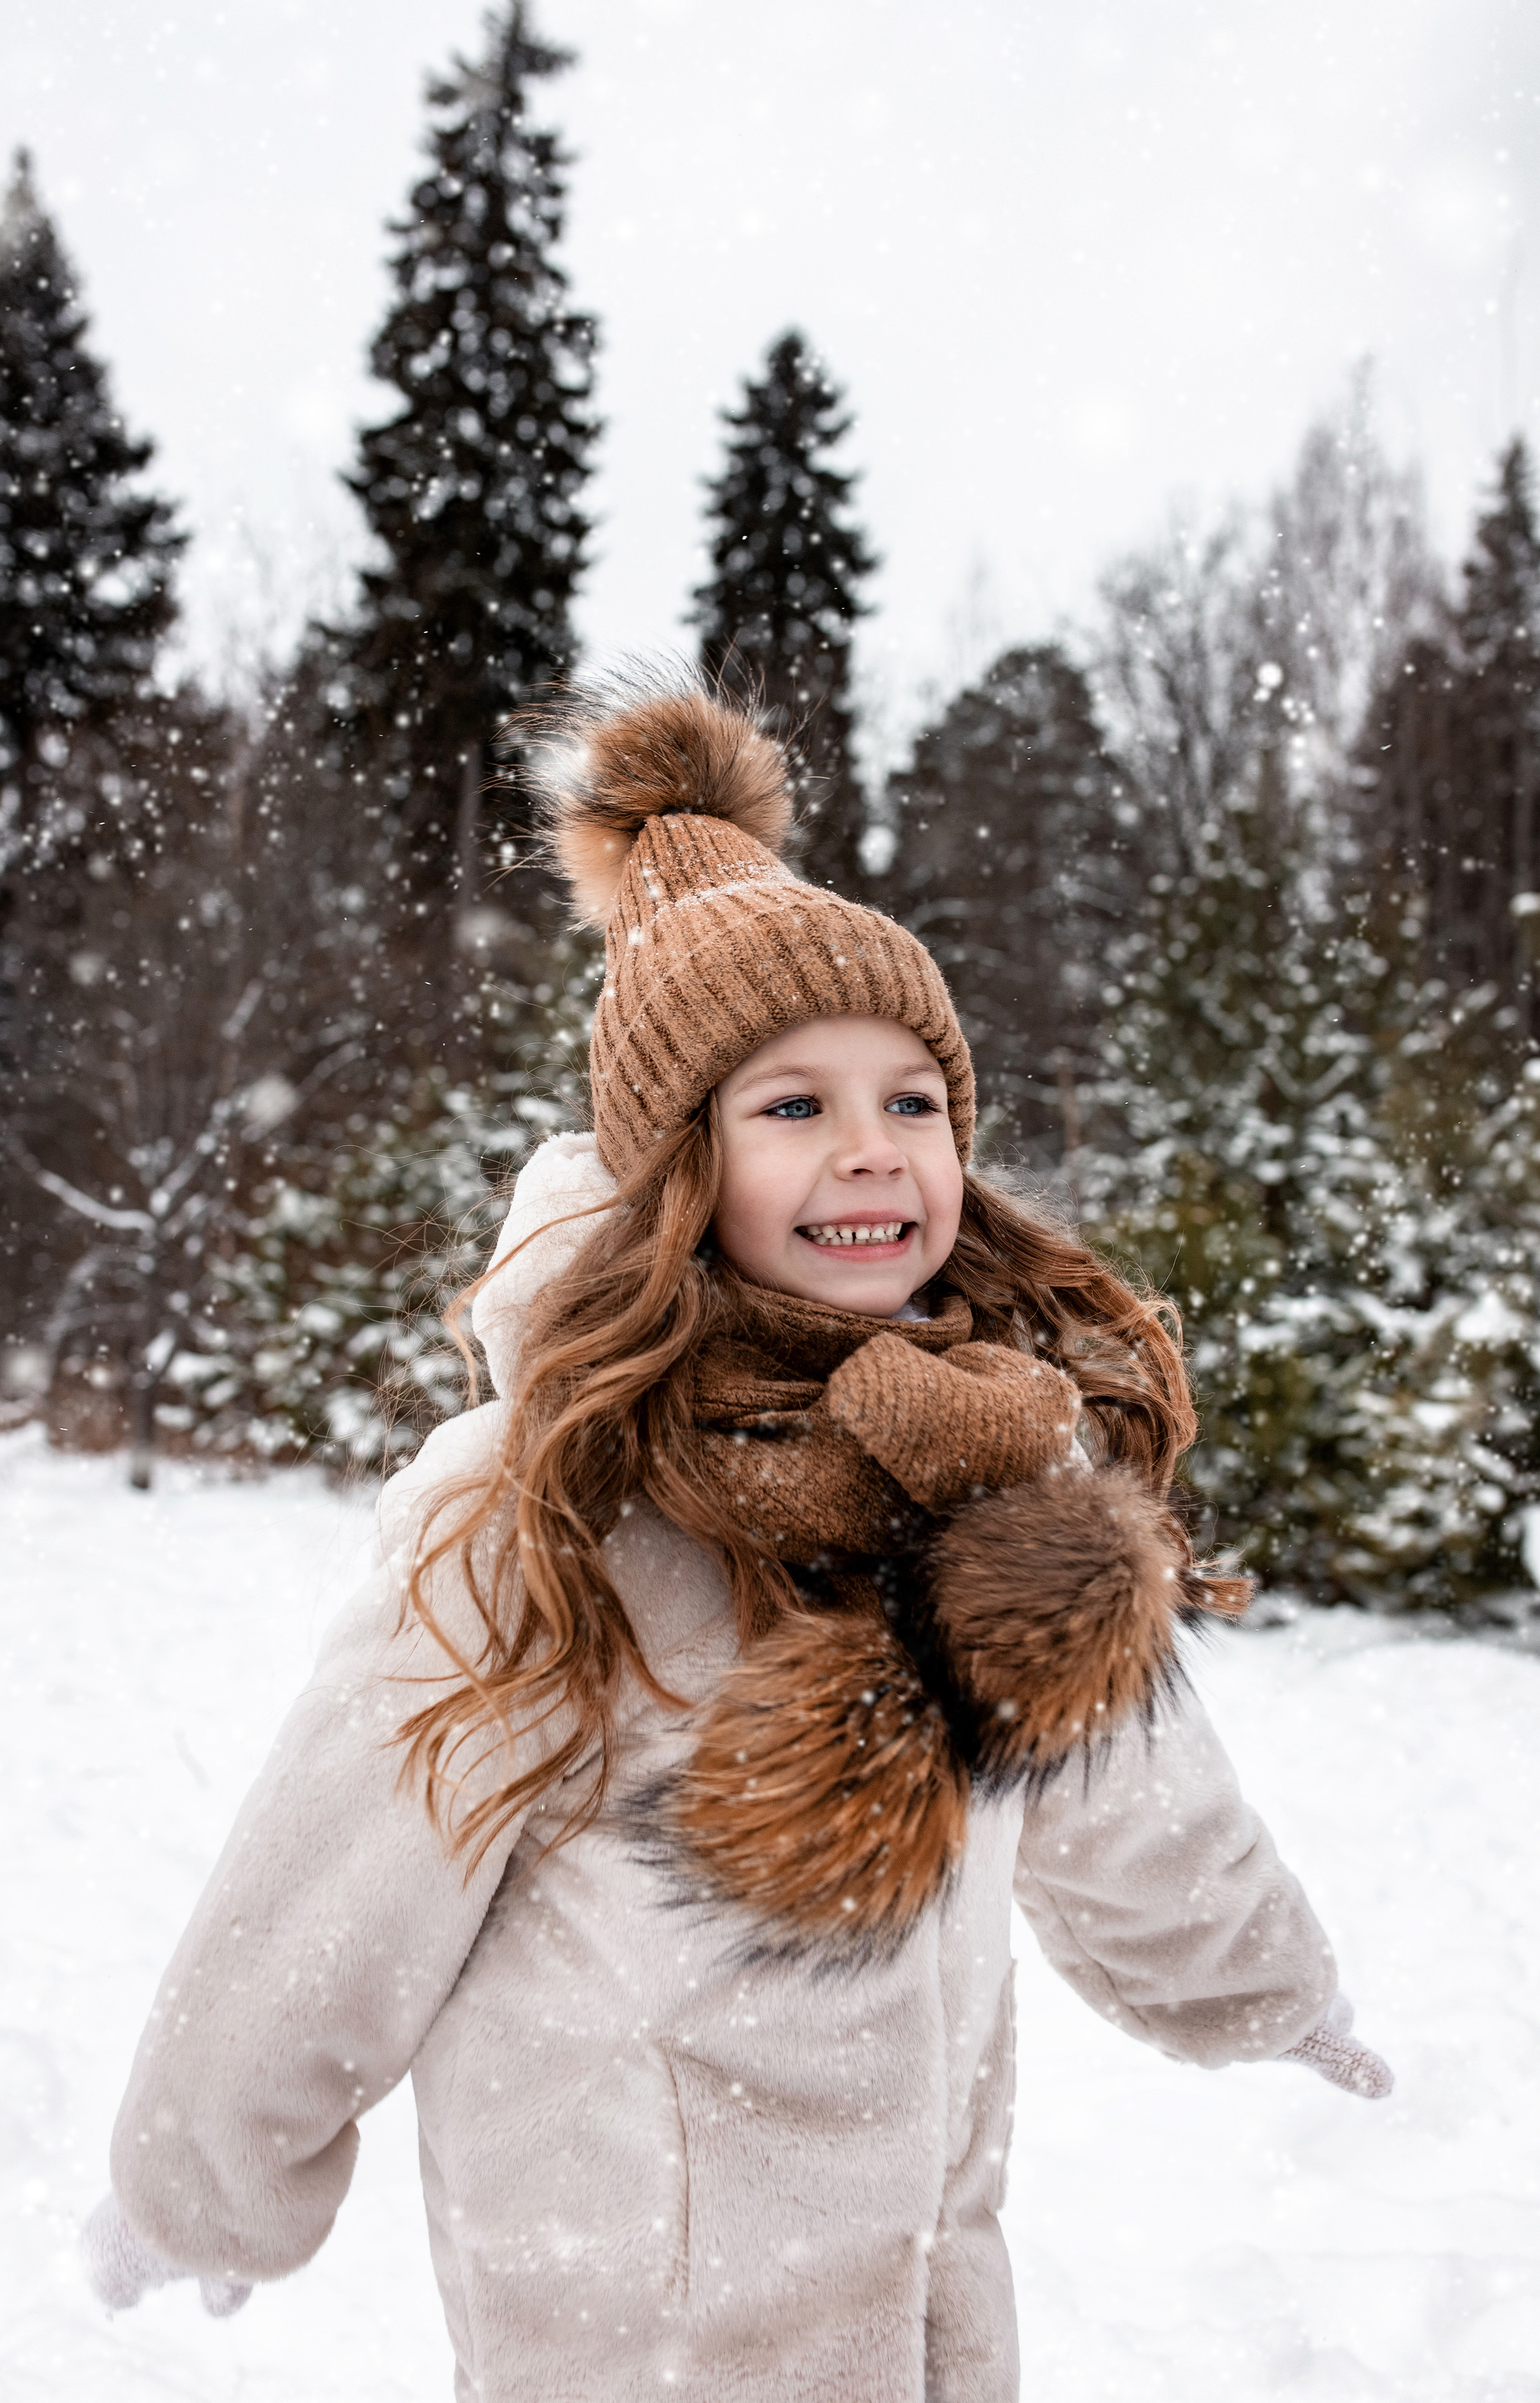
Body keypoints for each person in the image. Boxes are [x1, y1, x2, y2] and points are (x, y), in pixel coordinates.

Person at [82, 680, 1392, 2399]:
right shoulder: (544, 1502)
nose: (872, 1150)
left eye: (912, 1100)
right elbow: (339, 1875)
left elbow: (1134, 1787)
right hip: (629, 2330)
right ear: (678, 1165)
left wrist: (1266, 1989)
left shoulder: (993, 1474)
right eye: (792, 1107)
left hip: (924, 2314)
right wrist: (199, 2189)